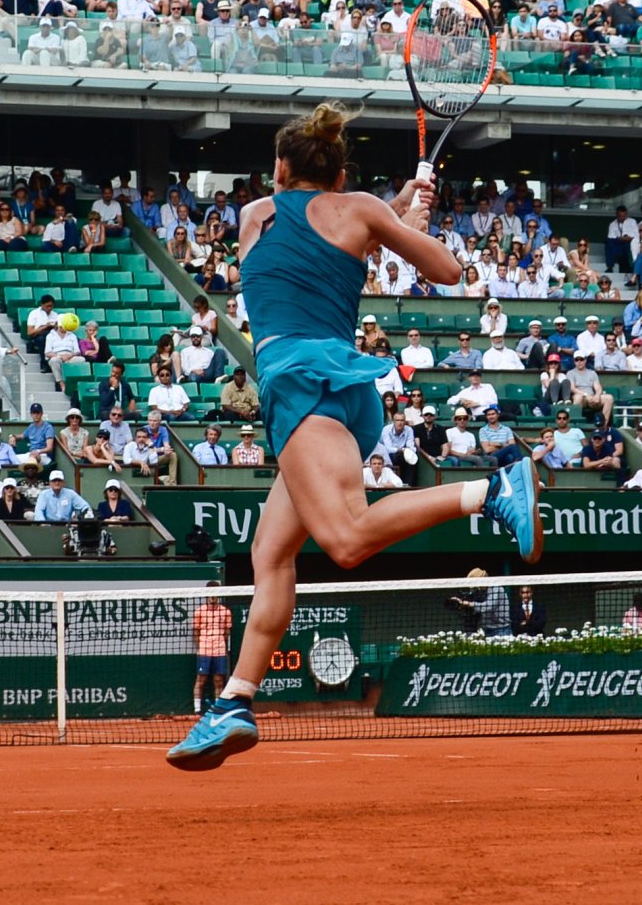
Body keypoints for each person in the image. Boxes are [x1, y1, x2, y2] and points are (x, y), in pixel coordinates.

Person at [169, 103, 541, 772]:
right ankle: (234, 702)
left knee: (343, 539)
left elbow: (323, 238)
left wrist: (394, 217)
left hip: (301, 387)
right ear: (339, 174)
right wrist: (401, 216)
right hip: (345, 390)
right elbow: (443, 269)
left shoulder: (254, 216)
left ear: (279, 168)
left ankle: (490, 490)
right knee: (270, 553)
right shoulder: (360, 211)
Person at [190, 588, 233, 714]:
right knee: (201, 680)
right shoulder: (199, 611)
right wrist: (201, 646)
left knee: (219, 681)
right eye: (210, 593)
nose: (213, 596)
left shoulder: (226, 611)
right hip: (204, 650)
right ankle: (197, 709)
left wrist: (220, 642)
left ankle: (218, 708)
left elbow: (227, 632)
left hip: (220, 650)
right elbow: (196, 632)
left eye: (215, 593)